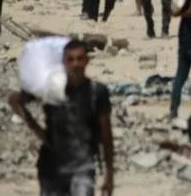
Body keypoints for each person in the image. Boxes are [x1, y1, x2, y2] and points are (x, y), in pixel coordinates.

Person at [8, 39, 115, 196]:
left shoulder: (97, 92)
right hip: (51, 167)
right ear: (64, 62)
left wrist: (109, 174)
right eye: (70, 59)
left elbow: (106, 135)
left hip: (82, 166)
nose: (75, 64)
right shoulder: (51, 89)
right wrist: (35, 128)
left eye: (79, 59)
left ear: (87, 61)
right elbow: (14, 100)